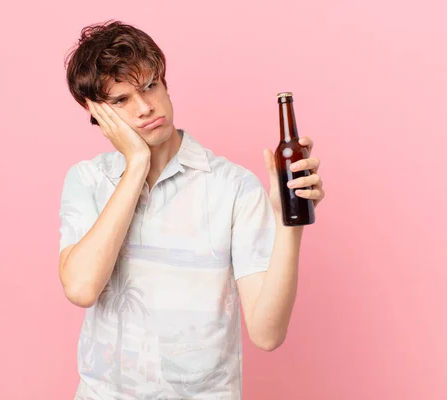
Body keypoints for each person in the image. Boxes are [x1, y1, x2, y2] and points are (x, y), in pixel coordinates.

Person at [58, 20, 325, 399]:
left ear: (165, 83)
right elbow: (82, 287)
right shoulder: (87, 180)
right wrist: (136, 165)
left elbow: (268, 334)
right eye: (121, 100)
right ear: (96, 112)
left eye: (150, 85)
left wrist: (289, 225)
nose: (145, 106)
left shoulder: (232, 186)